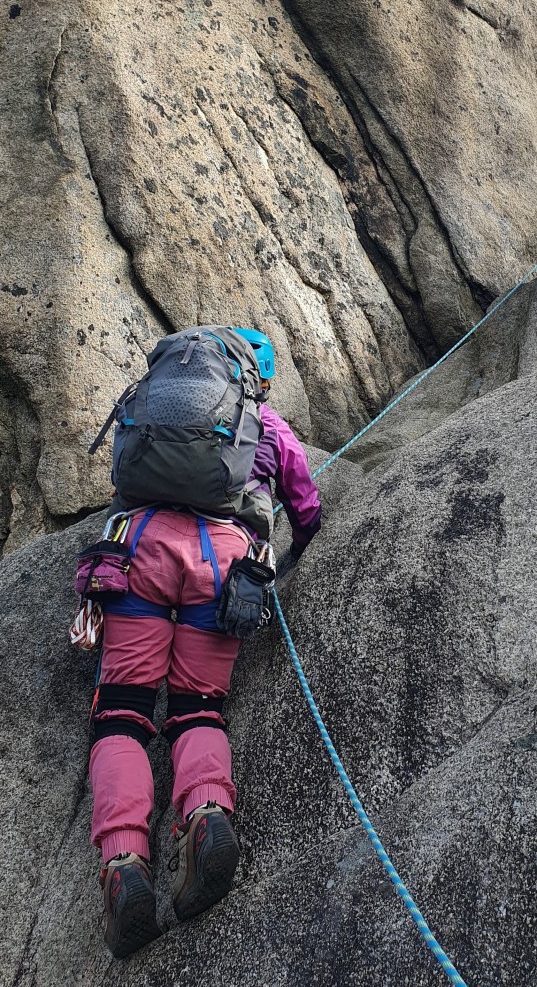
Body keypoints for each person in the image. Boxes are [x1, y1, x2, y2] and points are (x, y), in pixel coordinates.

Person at [87, 328, 322, 958]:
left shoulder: (156, 407)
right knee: (197, 708)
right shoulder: (264, 423)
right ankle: (208, 814)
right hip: (224, 562)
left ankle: (124, 862)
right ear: (254, 378)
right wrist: (294, 548)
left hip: (138, 547)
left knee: (123, 712)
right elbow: (305, 503)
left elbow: (122, 474)